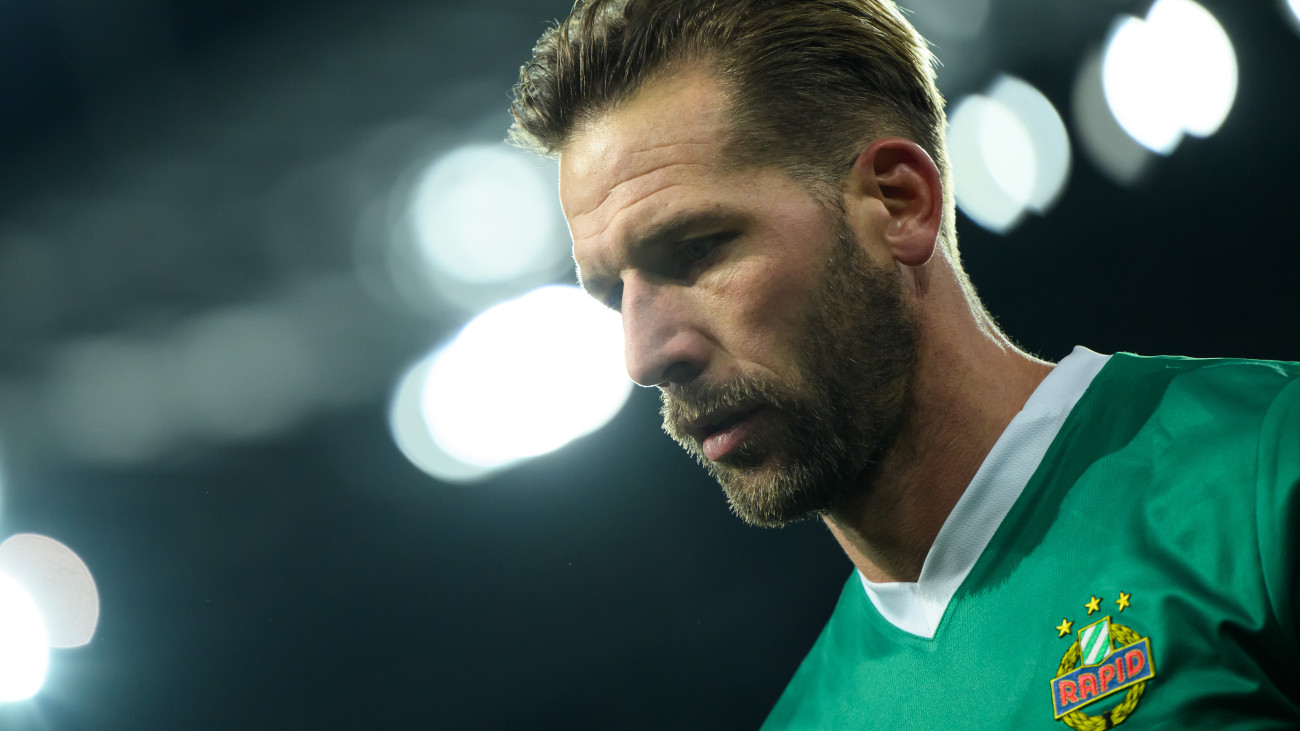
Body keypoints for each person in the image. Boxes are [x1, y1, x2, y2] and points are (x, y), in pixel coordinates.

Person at [507, 0, 1300, 727]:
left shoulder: (1263, 473)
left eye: (695, 250)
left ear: (898, 203)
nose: (645, 355)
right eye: (613, 293)